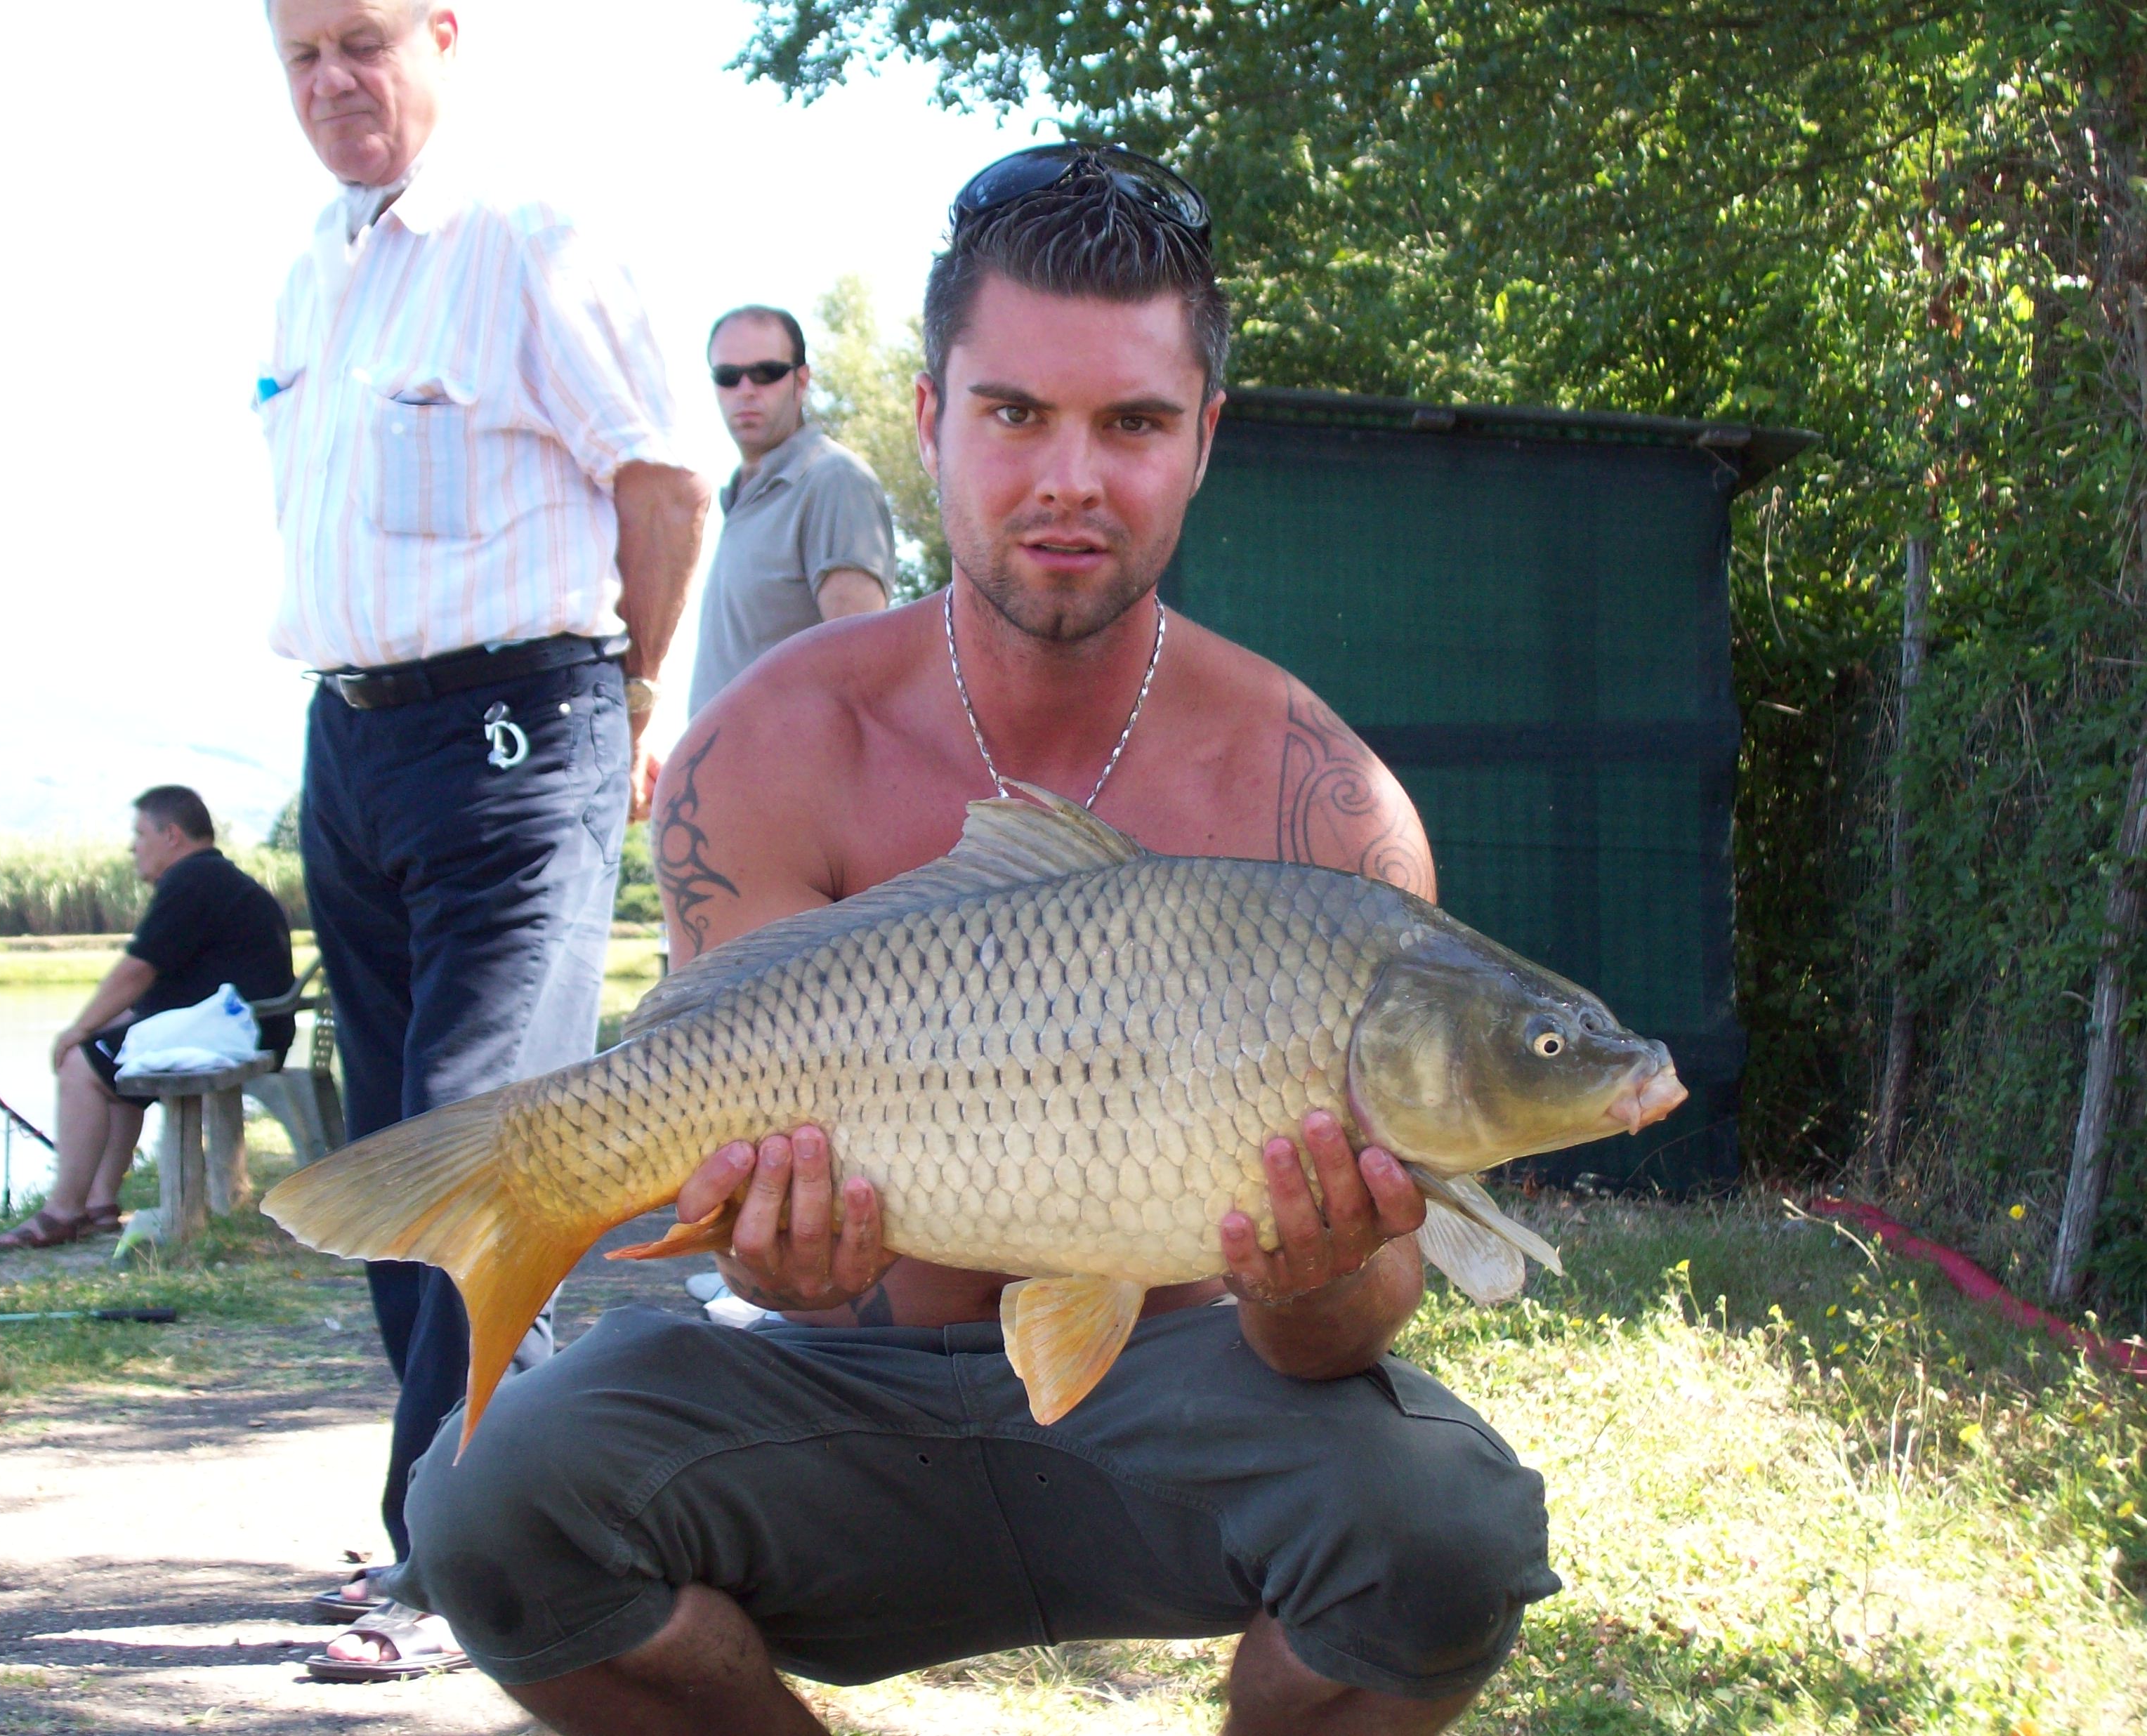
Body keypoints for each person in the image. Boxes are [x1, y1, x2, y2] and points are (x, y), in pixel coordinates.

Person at [388, 145, 1558, 1734]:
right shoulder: (767, 747)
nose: (1069, 477)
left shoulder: (1322, 801)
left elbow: (1349, 1330)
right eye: (1014, 413)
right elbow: (757, 1212)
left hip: (1183, 1398)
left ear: (1202, 439)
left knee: (1447, 1526)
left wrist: (1312, 1274)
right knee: (485, 1503)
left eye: (1131, 422)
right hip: (831, 1393)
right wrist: (765, 1246)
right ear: (932, 419)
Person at [258, 0, 709, 1678]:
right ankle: (441, 1518)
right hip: (352, 738)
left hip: (522, 722)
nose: (332, 82)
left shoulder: (529, 244)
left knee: (480, 1137)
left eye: (362, 41)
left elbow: (663, 487)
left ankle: (471, 1566)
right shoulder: (313, 270)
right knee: (393, 1144)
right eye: (300, 55)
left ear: (444, 35)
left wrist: (639, 698)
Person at [0, 789, 292, 1251]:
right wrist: (101, 1030)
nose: (132, 847)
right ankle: (99, 1204)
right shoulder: (215, 878)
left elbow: (137, 970)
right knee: (111, 1066)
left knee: (80, 1065)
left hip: (235, 1033)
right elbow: (157, 992)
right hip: (249, 1027)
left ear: (171, 835)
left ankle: (62, 1212)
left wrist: (79, 1031)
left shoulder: (191, 880)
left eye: (139, 834)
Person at [685, 305, 896, 714]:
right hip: (718, 756)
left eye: (766, 373)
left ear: (801, 381)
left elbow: (861, 670)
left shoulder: (834, 480)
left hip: (796, 757)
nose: (746, 389)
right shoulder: (740, 501)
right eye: (728, 376)